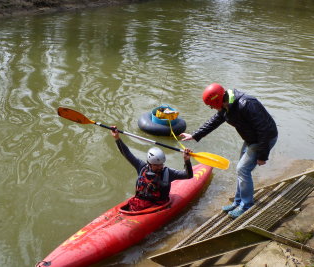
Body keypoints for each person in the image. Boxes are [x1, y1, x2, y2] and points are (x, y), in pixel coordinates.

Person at [179, 83, 278, 218]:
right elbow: (214, 121)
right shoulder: (227, 106)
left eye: (211, 105)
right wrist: (195, 135)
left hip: (263, 139)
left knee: (242, 169)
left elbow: (264, 130)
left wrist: (262, 155)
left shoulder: (246, 104)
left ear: (218, 100)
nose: (211, 108)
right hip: (251, 139)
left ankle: (246, 206)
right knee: (241, 170)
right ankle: (238, 202)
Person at [111, 127, 194, 211]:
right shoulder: (141, 167)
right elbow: (127, 154)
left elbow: (189, 175)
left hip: (157, 207)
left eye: (161, 164)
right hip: (139, 203)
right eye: (156, 165)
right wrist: (117, 138)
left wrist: (186, 160)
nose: (160, 167)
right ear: (149, 164)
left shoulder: (168, 173)